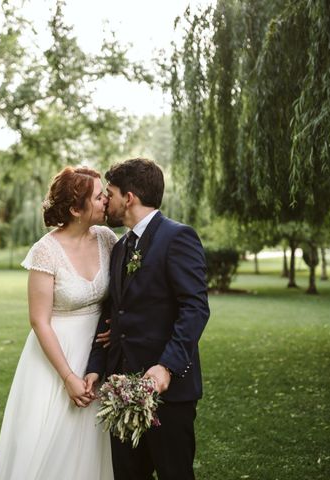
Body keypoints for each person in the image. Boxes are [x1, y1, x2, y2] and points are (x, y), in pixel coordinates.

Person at [85, 158, 210, 480]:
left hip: (169, 392)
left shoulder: (178, 237)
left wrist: (166, 366)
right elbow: (112, 311)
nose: (105, 200)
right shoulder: (121, 246)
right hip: (121, 388)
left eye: (109, 193)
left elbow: (195, 308)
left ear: (129, 198)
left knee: (174, 473)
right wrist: (96, 366)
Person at [0, 166, 116, 480]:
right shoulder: (45, 252)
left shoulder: (107, 238)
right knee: (47, 440)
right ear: (75, 209)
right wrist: (68, 376)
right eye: (99, 197)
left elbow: (118, 298)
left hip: (97, 354)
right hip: (55, 355)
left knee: (90, 442)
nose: (106, 201)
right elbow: (39, 320)